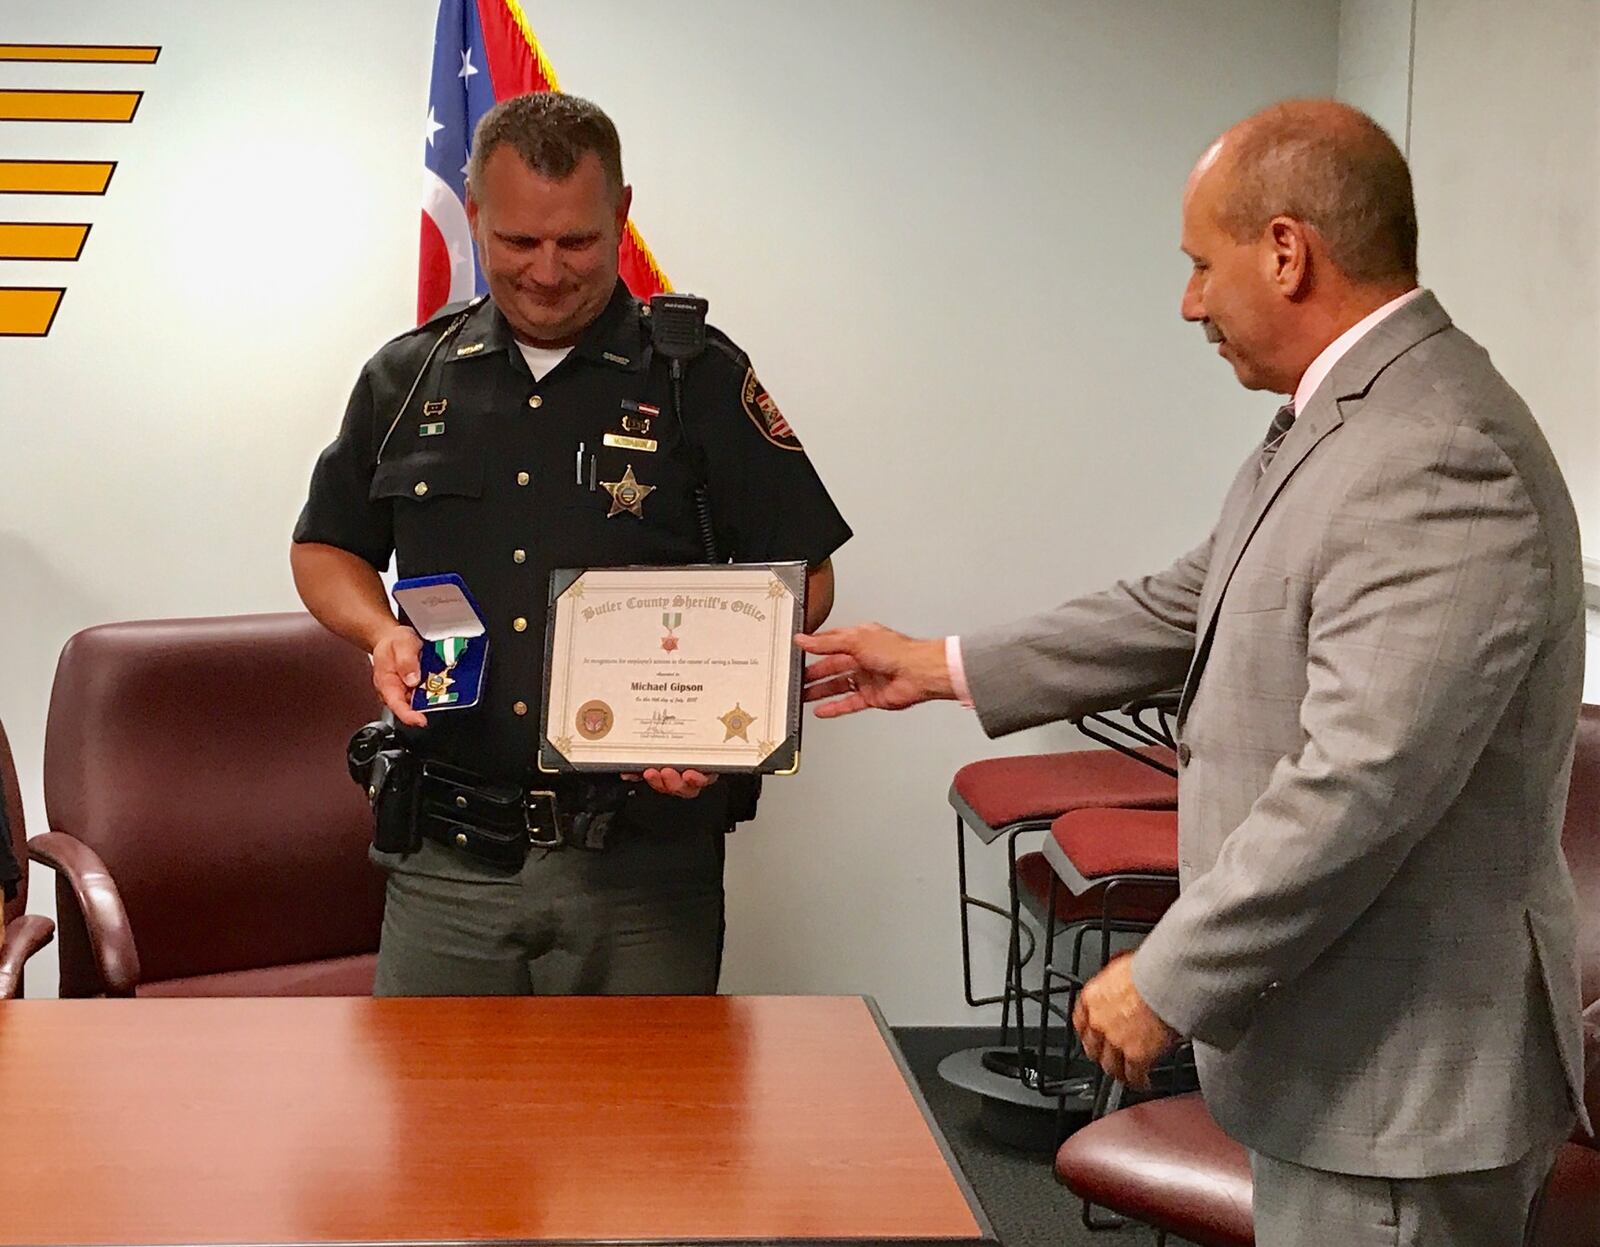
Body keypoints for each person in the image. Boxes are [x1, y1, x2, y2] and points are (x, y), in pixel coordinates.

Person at [799, 99, 1586, 1246]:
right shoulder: (1344, 420)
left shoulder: (1435, 449)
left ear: (1285, 249)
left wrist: (1167, 971)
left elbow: (1361, 782)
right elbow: (1187, 600)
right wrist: (937, 664)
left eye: (1198, 265)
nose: (1188, 302)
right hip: (1339, 1068)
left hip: (1402, 1098)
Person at [293, 92, 850, 997]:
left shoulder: (695, 377)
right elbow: (325, 547)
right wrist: (377, 631)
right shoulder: (407, 375)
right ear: (474, 218)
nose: (547, 272)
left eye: (577, 242)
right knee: (437, 1128)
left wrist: (714, 699)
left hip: (641, 871)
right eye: (517, 242)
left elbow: (808, 574)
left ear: (621, 215)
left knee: (639, 1132)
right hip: (447, 862)